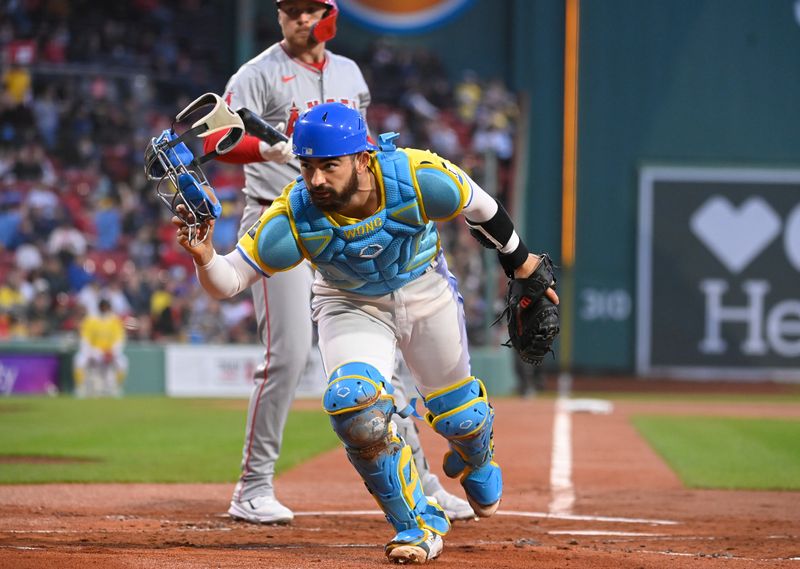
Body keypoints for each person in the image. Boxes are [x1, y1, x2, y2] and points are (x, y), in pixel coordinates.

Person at [168, 102, 559, 563]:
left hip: (423, 290)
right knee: (354, 406)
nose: (315, 180)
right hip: (349, 302)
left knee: (461, 419)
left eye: (328, 166)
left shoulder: (416, 176)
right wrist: (204, 255)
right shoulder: (294, 215)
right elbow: (229, 280)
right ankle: (418, 525)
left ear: (363, 157)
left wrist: (521, 261)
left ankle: (476, 454)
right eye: (308, 166)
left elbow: (482, 206)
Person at [201, 0, 472, 523]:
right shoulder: (256, 74)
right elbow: (218, 138)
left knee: (386, 362)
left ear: (328, 14)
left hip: (345, 227)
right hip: (279, 223)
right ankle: (252, 487)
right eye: (289, 11)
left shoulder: (348, 71)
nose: (299, 20)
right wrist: (269, 152)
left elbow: (361, 151)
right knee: (288, 354)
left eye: (309, 10)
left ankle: (424, 482)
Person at [73, 298, 128, 398]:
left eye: (106, 307)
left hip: (109, 352)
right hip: (93, 351)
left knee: (123, 362)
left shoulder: (115, 320)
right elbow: (85, 340)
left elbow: (119, 339)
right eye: (103, 307)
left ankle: (116, 388)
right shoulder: (90, 320)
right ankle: (80, 388)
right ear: (99, 307)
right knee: (79, 360)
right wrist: (92, 353)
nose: (105, 309)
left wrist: (112, 352)